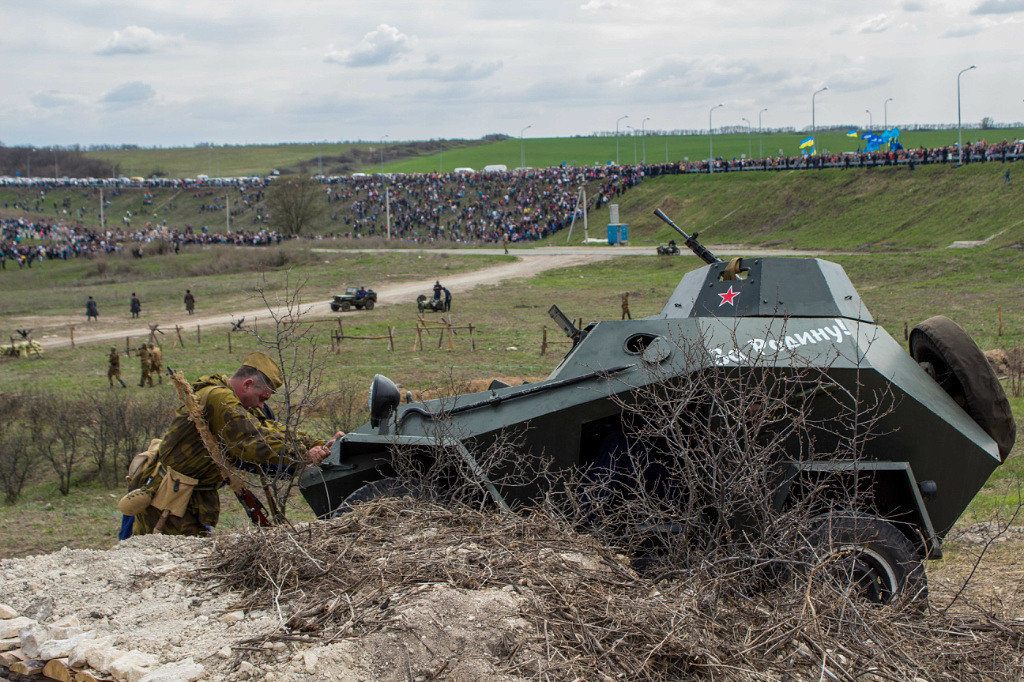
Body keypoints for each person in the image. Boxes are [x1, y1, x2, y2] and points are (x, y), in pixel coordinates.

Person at [128, 352, 338, 536]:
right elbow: (249, 442)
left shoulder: (236, 401)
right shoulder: (219, 398)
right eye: (262, 397)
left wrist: (319, 444)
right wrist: (302, 454)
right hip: (171, 502)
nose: (261, 404)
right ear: (247, 384)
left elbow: (269, 429)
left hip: (191, 498)